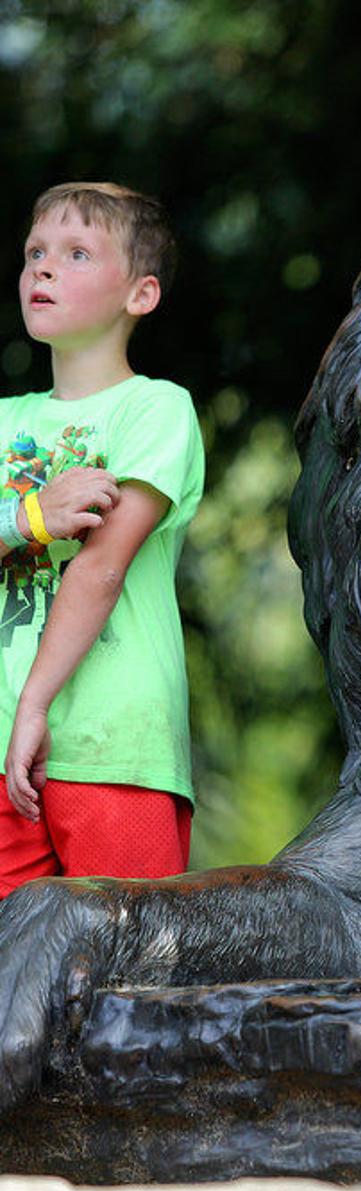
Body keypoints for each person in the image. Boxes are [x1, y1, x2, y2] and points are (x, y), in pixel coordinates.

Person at [0, 182, 204, 898]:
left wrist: (32, 707)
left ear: (140, 294)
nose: (43, 268)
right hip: (0, 758)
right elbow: (33, 528)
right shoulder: (4, 418)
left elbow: (101, 568)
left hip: (115, 748)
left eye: (76, 253)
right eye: (35, 253)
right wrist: (31, 518)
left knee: (128, 957)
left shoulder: (157, 409)